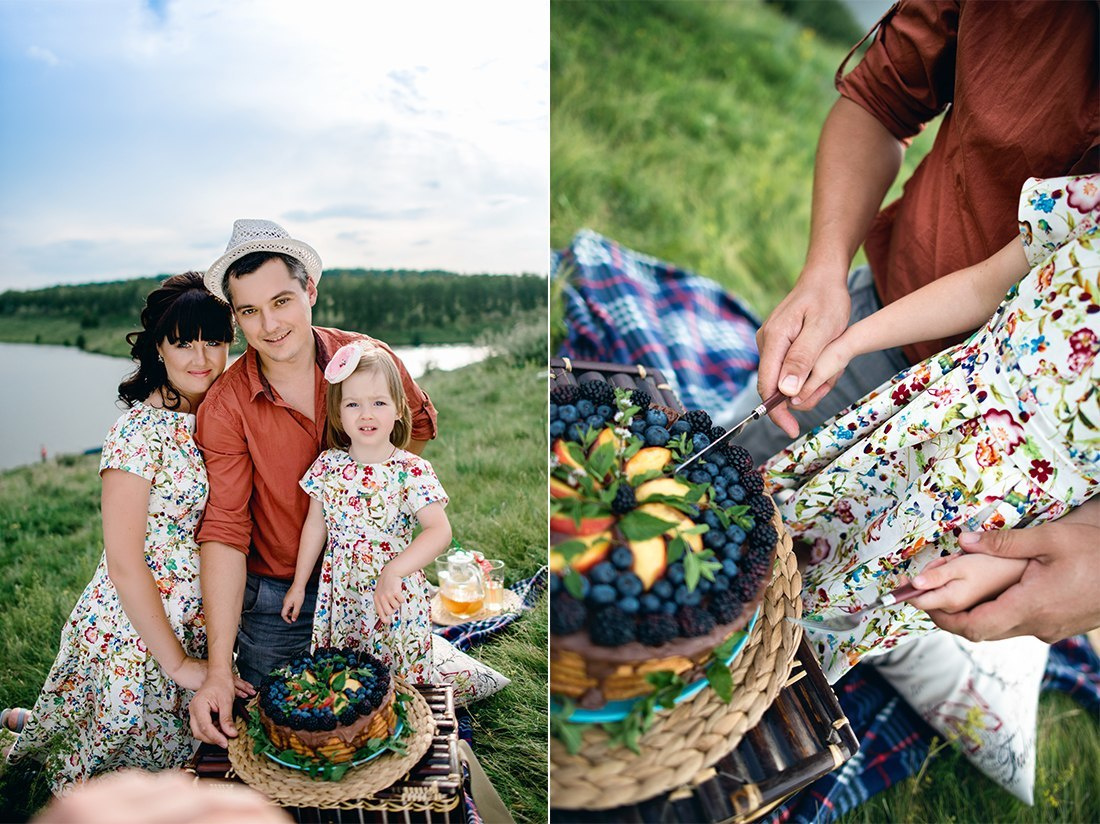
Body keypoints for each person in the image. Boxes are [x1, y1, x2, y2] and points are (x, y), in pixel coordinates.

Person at [729, 0, 1100, 643]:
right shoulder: (1088, 204)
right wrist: (844, 337)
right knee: (736, 506)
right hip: (916, 393)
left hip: (1004, 502)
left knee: (829, 625)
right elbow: (991, 280)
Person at [763, 174, 1098, 682]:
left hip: (988, 509)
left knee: (833, 613)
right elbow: (983, 284)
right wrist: (849, 344)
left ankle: (746, 682)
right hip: (922, 416)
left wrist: (1013, 566)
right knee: (782, 519)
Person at [188, 220, 438, 748]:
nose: (270, 324)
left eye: (281, 301)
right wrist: (215, 669)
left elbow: (414, 426)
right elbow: (225, 529)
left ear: (311, 291)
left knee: (391, 722)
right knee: (274, 734)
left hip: (372, 586)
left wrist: (373, 494)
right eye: (249, 311)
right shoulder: (227, 404)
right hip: (281, 598)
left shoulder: (367, 358)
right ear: (236, 318)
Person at [5, 273, 248, 792]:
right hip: (143, 626)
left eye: (214, 340)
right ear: (159, 347)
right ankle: (35, 726)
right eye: (183, 342)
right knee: (130, 772)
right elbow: (123, 560)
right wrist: (179, 663)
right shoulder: (138, 431)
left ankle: (31, 719)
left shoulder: (218, 412)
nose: (201, 357)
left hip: (206, 611)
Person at [281, 343, 451, 684]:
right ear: (339, 413)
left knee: (396, 676)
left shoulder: (410, 470)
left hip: (393, 593)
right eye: (353, 404)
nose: (366, 414)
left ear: (399, 409)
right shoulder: (328, 465)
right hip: (342, 593)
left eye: (378, 403)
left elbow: (439, 531)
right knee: (347, 677)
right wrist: (299, 585)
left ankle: (409, 724)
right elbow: (316, 526)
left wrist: (394, 570)